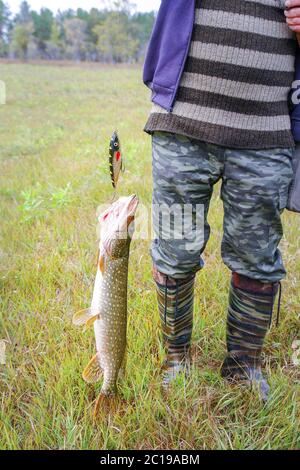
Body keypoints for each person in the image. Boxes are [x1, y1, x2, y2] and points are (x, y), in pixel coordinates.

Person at [143, 0, 300, 400]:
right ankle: (176, 359)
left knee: (256, 256)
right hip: (182, 126)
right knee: (175, 250)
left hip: (266, 135)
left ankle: (244, 367)